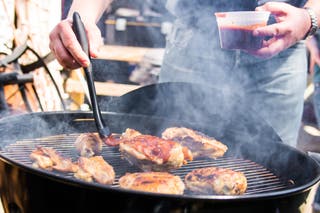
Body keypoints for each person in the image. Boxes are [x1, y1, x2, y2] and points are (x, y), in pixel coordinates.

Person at [49, 0, 320, 148]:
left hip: (280, 54)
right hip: (194, 44)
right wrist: (79, 18)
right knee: (165, 154)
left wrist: (310, 18)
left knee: (273, 166)